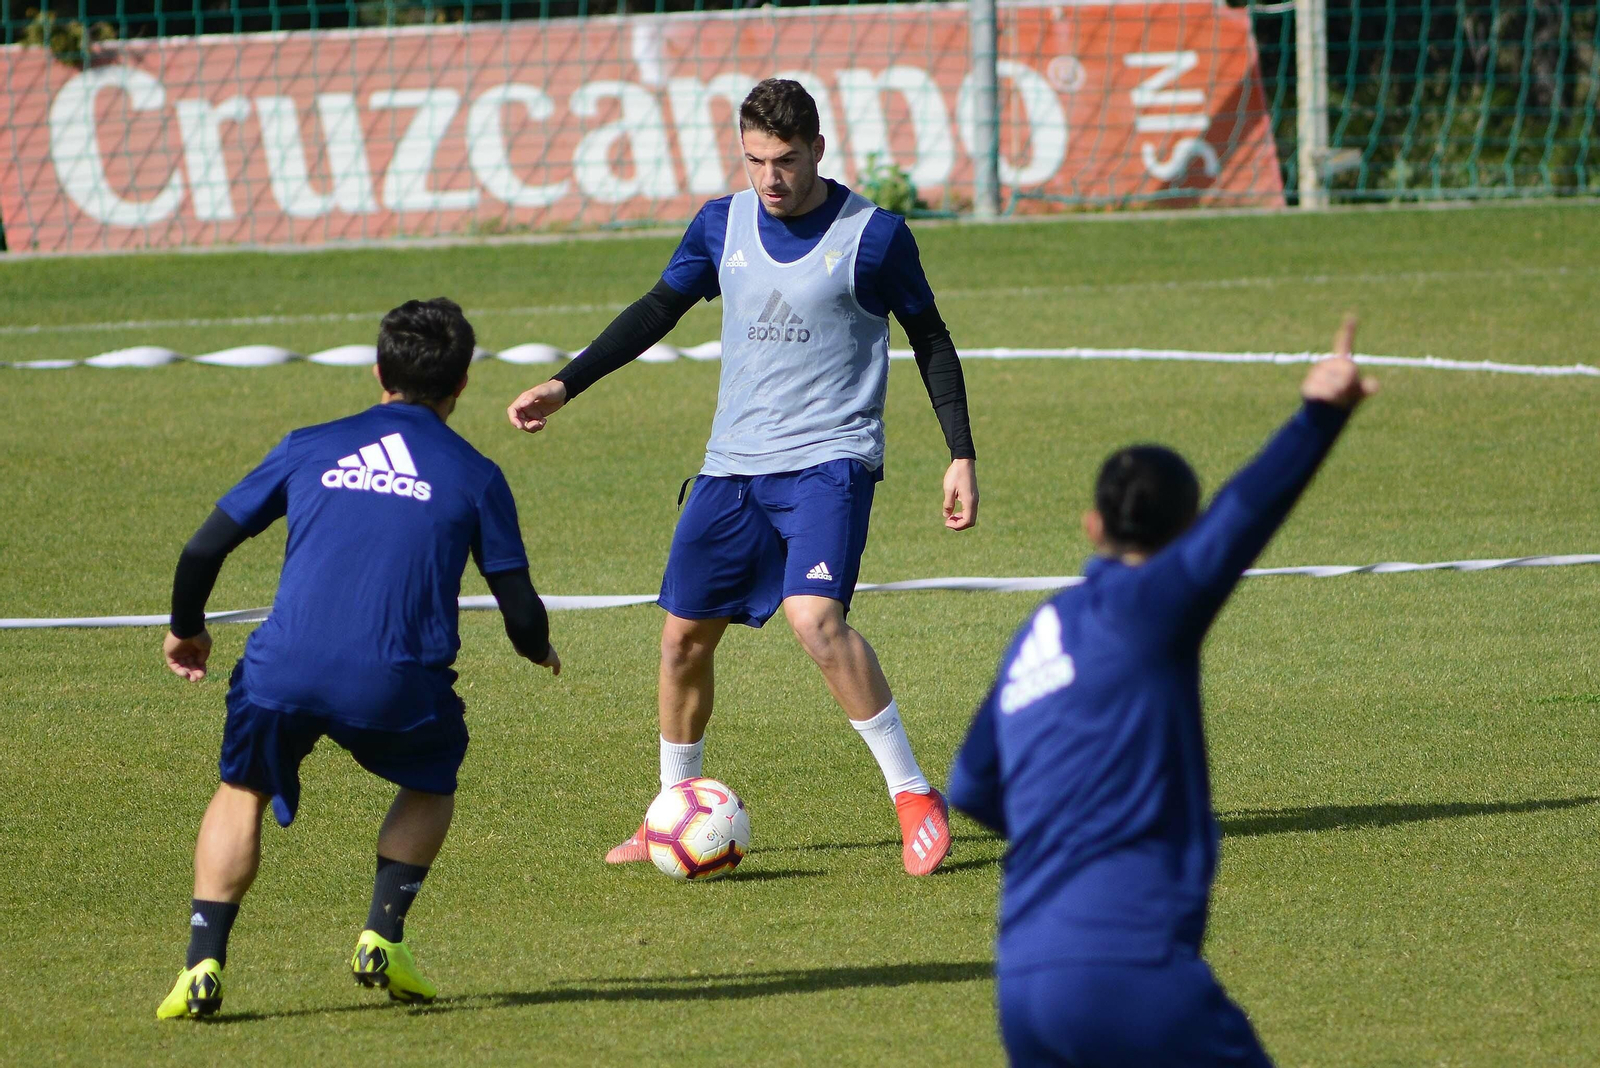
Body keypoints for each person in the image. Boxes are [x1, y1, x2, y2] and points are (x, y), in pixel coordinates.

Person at [507, 78, 977, 875]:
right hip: (731, 470)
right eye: (756, 159)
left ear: (819, 150)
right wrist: (566, 383)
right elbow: (659, 307)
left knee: (813, 620)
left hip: (830, 462)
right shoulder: (720, 224)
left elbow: (931, 338)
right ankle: (671, 812)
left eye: (786, 160)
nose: (770, 178)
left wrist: (959, 451)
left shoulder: (876, 235)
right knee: (682, 637)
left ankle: (912, 795)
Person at [947, 317, 1377, 1066]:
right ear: (1185, 531)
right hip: (1128, 970)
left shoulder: (1040, 633)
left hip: (1023, 982)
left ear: (1091, 525)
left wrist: (1069, 821)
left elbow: (972, 783)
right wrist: (1320, 413)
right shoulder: (1154, 607)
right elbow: (1245, 516)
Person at [156, 298, 560, 1020]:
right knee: (433, 781)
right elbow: (520, 607)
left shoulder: (311, 444)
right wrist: (539, 650)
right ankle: (382, 934)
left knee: (242, 788)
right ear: (461, 384)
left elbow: (201, 549)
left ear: (378, 372)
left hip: (283, 670)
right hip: (395, 684)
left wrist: (187, 627)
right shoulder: (474, 473)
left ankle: (201, 965)